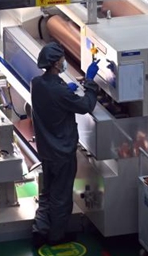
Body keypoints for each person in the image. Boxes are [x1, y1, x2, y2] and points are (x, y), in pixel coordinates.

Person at [31, 42, 100, 248]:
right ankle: (56, 237)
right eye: (61, 59)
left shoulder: (37, 83)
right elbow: (86, 105)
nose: (64, 62)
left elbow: (55, 95)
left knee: (48, 192)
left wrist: (65, 88)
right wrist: (89, 82)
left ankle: (40, 228)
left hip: (46, 150)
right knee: (61, 197)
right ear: (54, 63)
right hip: (62, 152)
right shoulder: (59, 93)